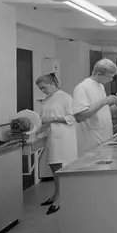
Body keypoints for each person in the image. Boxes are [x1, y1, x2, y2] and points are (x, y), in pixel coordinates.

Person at [37, 73, 77, 215]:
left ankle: (60, 198)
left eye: (44, 87)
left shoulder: (66, 97)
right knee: (54, 167)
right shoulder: (47, 99)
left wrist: (52, 119)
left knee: (60, 168)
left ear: (52, 84)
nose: (42, 91)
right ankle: (56, 194)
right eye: (40, 89)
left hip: (63, 137)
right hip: (51, 136)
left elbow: (72, 117)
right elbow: (43, 117)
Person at [73, 59, 117, 156]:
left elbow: (101, 113)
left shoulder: (100, 87)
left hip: (104, 139)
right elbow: (79, 116)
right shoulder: (82, 88)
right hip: (91, 143)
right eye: (109, 77)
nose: (111, 80)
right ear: (98, 74)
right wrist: (104, 101)